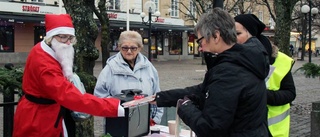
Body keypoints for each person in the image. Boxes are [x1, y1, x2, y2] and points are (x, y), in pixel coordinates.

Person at [151, 8, 270, 137]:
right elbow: (204, 90)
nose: (200, 47)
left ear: (216, 36)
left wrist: (185, 107)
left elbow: (211, 128)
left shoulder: (229, 71)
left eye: (200, 41)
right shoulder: (244, 60)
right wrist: (161, 97)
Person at [13, 14, 125, 137]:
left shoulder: (46, 49)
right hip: (38, 119)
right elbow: (68, 95)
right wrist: (113, 107)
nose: (67, 42)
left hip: (48, 113)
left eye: (70, 38)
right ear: (51, 37)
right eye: (63, 37)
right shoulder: (44, 64)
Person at [234, 14, 296, 137]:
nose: (233, 39)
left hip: (274, 131)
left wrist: (262, 95)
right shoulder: (233, 58)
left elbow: (290, 93)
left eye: (237, 34)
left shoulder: (281, 60)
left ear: (252, 35)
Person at [94, 30, 163, 125]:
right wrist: (119, 106)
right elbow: (99, 97)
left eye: (133, 48)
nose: (129, 51)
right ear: (119, 47)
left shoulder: (149, 67)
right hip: (118, 123)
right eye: (125, 48)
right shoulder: (109, 68)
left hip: (145, 122)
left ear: (140, 48)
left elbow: (157, 95)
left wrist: (155, 119)